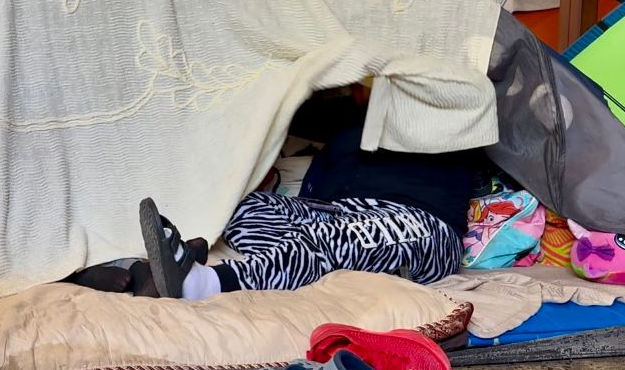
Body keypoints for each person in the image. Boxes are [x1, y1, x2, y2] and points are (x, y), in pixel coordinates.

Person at [144, 88, 474, 301]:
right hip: (340, 211)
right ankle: (293, 264)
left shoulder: (443, 112)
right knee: (245, 206)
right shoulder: (347, 128)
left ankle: (204, 283)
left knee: (325, 238)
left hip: (422, 225)